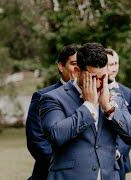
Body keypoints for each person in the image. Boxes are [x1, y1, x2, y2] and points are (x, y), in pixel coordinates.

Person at [39, 42, 131, 180]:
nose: (100, 83)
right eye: (94, 77)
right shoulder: (53, 98)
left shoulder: (113, 96)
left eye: (103, 77)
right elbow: (55, 135)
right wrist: (88, 106)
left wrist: (109, 108)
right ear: (77, 72)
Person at [25, 44, 79, 180]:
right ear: (61, 66)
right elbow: (37, 141)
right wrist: (67, 165)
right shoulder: (43, 96)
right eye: (74, 64)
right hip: (50, 173)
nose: (78, 69)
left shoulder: (91, 97)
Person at [106, 48, 131, 180]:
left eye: (116, 64)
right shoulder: (93, 91)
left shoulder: (127, 92)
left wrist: (118, 151)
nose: (114, 68)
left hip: (120, 159)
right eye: (110, 64)